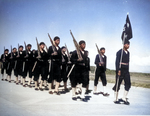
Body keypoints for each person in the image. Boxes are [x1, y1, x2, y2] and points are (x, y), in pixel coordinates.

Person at [112, 40, 131, 105]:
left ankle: (124, 97)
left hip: (126, 71)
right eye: (127, 44)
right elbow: (117, 62)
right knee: (118, 84)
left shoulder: (128, 53)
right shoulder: (119, 52)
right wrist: (118, 70)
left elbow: (128, 63)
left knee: (128, 84)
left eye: (129, 44)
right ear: (124, 44)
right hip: (120, 70)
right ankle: (115, 98)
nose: (128, 45)